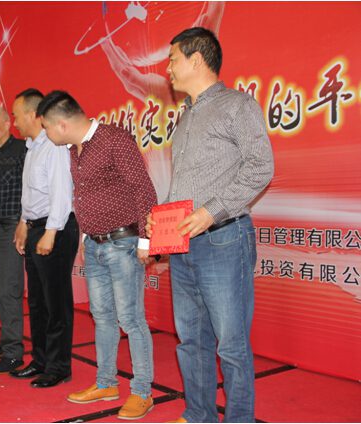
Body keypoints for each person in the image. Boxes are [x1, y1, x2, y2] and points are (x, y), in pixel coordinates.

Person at [147, 27, 274, 423]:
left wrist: (210, 212)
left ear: (197, 60)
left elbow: (261, 167)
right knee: (190, 341)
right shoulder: (186, 117)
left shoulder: (237, 106)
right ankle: (198, 414)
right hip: (184, 244)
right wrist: (162, 217)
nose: (168, 68)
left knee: (231, 346)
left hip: (224, 239)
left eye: (172, 59)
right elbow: (188, 183)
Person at [38, 90, 158, 420]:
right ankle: (106, 383)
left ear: (62, 124)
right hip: (94, 245)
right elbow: (86, 195)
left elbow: (143, 188)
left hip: (123, 242)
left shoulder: (113, 139)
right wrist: (85, 237)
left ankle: (142, 392)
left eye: (46, 128)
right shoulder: (74, 150)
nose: (46, 134)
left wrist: (146, 240)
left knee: (131, 319)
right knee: (102, 316)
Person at [10, 89, 79, 388]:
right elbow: (33, 196)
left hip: (56, 228)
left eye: (16, 116)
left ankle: (58, 366)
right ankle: (40, 360)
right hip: (36, 227)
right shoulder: (32, 147)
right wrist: (24, 223)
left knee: (55, 302)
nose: (14, 123)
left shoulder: (53, 146)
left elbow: (61, 193)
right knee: (37, 301)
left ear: (31, 114)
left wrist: (50, 233)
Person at [0, 107, 27, 374]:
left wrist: (23, 223)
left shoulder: (22, 150)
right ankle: (6, 340)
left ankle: (14, 352)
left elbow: (29, 190)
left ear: (7, 124)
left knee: (10, 288)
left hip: (13, 226)